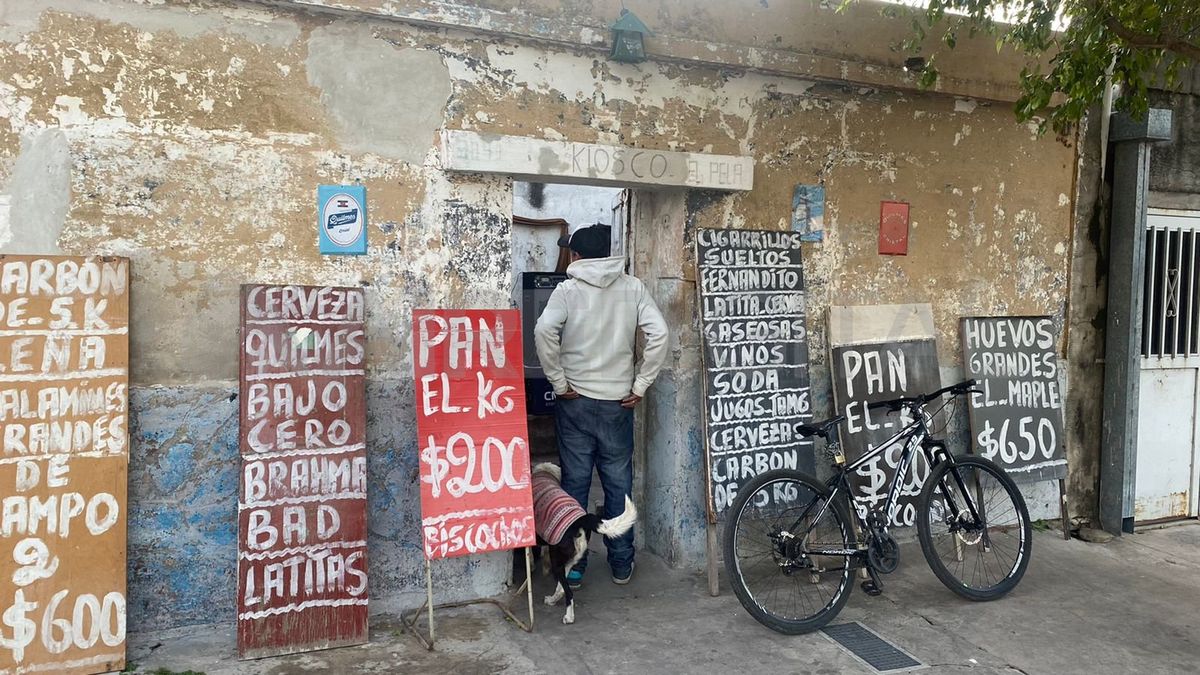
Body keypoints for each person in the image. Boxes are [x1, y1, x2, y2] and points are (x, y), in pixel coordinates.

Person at [534, 223, 669, 587]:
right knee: (617, 484)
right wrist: (641, 384)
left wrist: (559, 382)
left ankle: (574, 567)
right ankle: (621, 563)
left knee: (575, 485)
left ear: (576, 256)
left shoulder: (567, 290)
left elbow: (544, 332)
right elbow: (660, 334)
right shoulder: (632, 288)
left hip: (575, 402)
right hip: (618, 404)